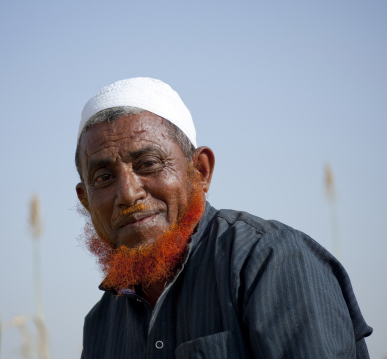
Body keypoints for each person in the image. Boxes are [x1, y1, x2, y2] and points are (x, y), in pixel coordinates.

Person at [75, 77, 372, 358]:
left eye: (148, 163)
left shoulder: (270, 261)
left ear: (200, 171)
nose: (127, 194)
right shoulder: (101, 324)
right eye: (103, 177)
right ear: (86, 201)